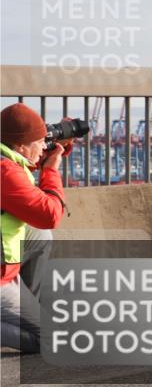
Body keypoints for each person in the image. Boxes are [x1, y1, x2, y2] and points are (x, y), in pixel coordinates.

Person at [1, 103, 69, 353]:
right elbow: (49, 214)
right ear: (20, 145)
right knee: (50, 340)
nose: (44, 146)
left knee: (39, 236)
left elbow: (21, 180)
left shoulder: (6, 161)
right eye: (40, 142)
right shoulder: (5, 172)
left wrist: (56, 151)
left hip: (5, 271)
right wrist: (51, 170)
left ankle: (28, 311)